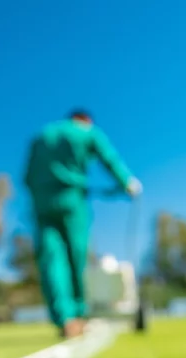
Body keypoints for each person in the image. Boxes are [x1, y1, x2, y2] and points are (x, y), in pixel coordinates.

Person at [22, 109, 141, 338]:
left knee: (51, 260)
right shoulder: (85, 131)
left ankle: (63, 318)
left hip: (41, 204)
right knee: (76, 257)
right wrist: (127, 181)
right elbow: (109, 157)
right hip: (72, 201)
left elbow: (26, 177)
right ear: (84, 119)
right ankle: (78, 313)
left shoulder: (41, 135)